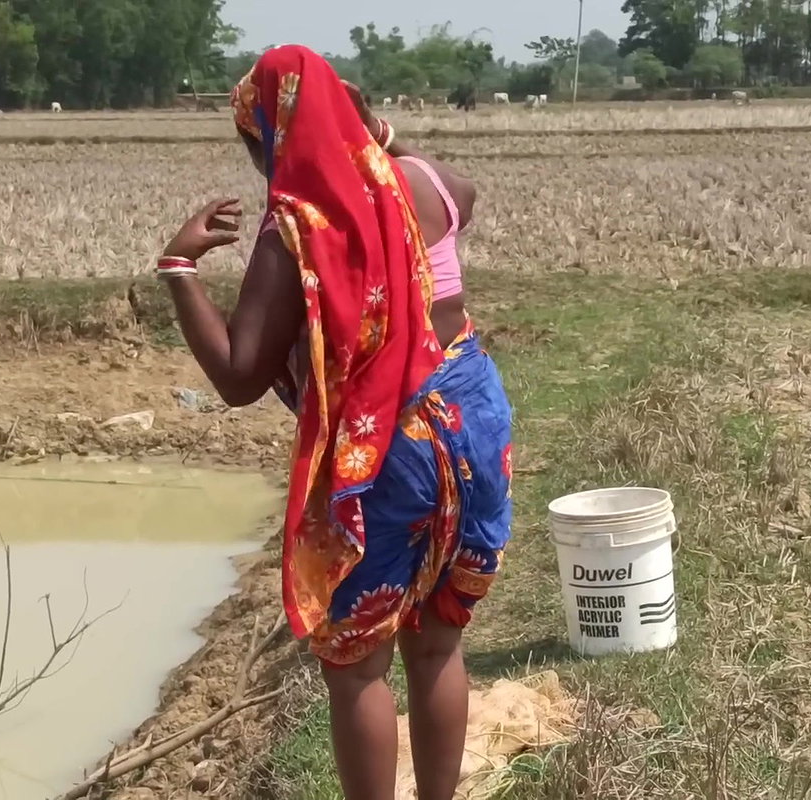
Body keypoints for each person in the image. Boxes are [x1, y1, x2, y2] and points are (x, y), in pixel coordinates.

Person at [155, 45, 513, 800]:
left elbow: (239, 376)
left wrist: (180, 272)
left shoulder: (300, 226)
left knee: (356, 665)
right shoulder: (419, 181)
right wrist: (384, 142)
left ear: (271, 139)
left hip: (388, 445)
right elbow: (467, 192)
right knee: (439, 640)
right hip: (473, 415)